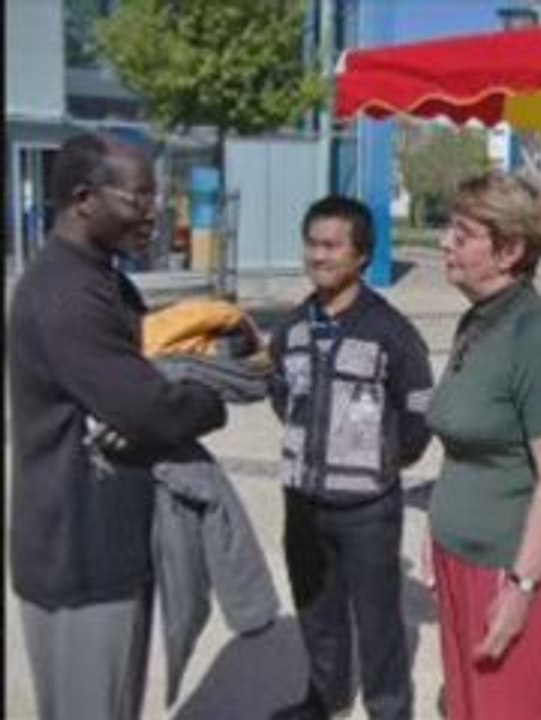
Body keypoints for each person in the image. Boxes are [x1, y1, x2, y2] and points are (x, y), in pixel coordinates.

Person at [8, 133, 227, 720]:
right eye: (139, 198)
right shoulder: (66, 295)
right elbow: (150, 410)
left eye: (156, 196)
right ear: (84, 198)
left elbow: (149, 362)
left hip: (108, 540)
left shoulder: (103, 277)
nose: (154, 213)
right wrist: (213, 396)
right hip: (78, 556)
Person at [423, 170, 541, 720]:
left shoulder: (535, 335)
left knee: (502, 708)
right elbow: (464, 443)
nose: (445, 243)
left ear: (510, 249)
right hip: (456, 551)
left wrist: (522, 587)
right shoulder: (476, 321)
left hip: (506, 563)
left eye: (462, 234)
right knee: (466, 701)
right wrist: (436, 529)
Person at [268, 196, 433, 720]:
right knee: (316, 611)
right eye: (312, 244)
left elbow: (418, 407)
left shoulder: (391, 330)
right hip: (303, 502)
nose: (318, 256)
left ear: (361, 255)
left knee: (378, 619)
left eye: (331, 245)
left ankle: (388, 709)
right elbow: (280, 391)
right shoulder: (292, 326)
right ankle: (326, 700)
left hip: (367, 508)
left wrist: (389, 457)